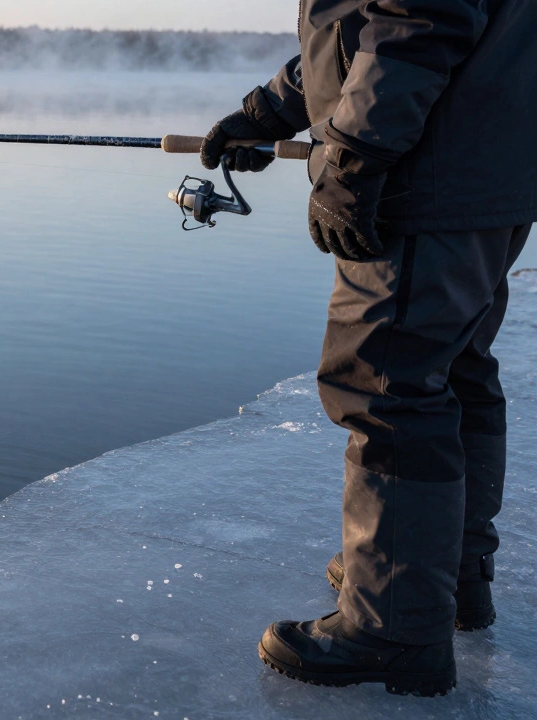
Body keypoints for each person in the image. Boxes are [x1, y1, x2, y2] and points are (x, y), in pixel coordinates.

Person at [199, 0, 537, 696]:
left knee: (387, 386)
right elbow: (358, 27)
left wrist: (353, 157)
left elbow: (417, 20)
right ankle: (447, 576)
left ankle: (393, 627)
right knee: (453, 371)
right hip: (479, 170)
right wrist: (265, 114)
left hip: (427, 171)